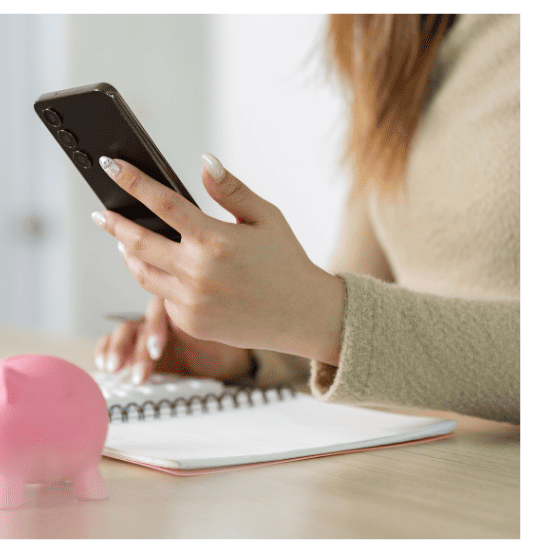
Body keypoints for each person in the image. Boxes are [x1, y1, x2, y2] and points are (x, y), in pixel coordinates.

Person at [91, 14, 520, 425]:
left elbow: (342, 315)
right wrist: (247, 347)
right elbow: (360, 293)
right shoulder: (406, 36)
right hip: (428, 455)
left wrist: (322, 316)